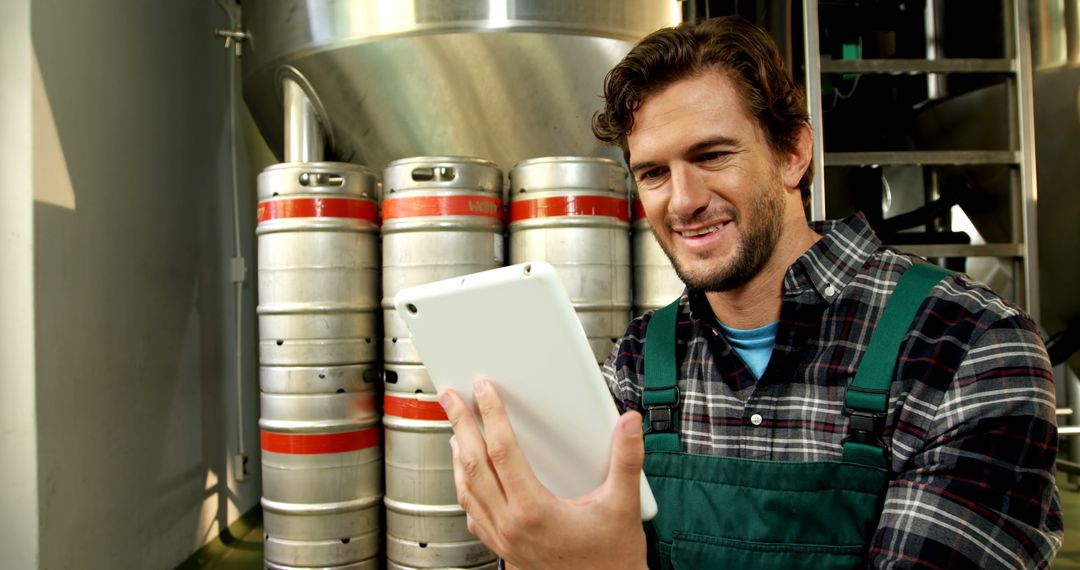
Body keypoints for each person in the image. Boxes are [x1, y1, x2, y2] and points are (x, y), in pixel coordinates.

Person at [436, 15, 1063, 569]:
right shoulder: (638, 360)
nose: (682, 201)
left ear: (793, 153)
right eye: (653, 172)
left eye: (712, 155)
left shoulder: (971, 349)